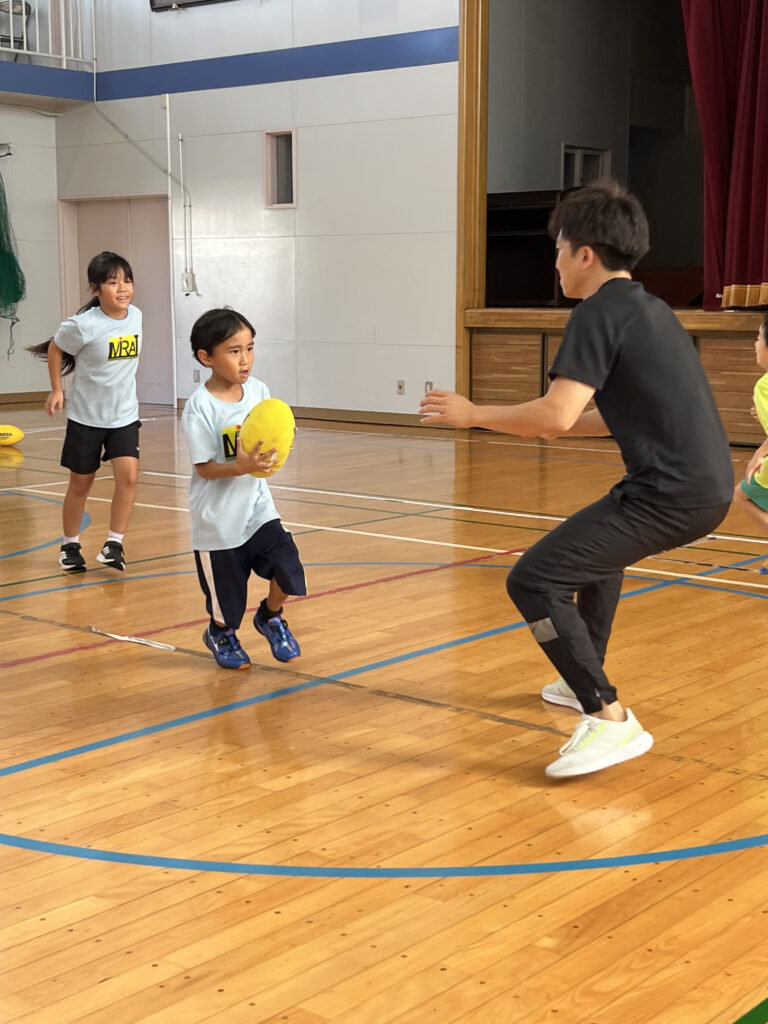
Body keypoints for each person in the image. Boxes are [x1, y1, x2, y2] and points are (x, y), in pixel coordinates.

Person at [419, 179, 733, 779]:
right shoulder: (648, 307)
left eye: (559, 248)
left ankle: (608, 717)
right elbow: (598, 418)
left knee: (533, 580)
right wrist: (553, 426)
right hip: (699, 488)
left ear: (585, 254)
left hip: (669, 494)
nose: (555, 262)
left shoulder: (596, 313)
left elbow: (553, 415)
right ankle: (579, 678)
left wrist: (474, 414)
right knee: (596, 558)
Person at [181, 307, 306, 670]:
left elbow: (271, 434)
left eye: (249, 348)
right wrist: (242, 466)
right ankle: (220, 633)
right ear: (206, 357)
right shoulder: (199, 407)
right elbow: (204, 468)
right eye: (234, 351)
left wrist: (283, 439)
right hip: (217, 523)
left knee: (288, 566)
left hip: (257, 509)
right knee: (227, 606)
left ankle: (270, 615)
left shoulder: (260, 391)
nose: (245, 359)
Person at [29, 251, 142, 573]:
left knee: (129, 477)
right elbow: (55, 348)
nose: (122, 288)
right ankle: (70, 545)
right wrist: (56, 389)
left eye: (127, 280)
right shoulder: (82, 325)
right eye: (112, 282)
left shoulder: (136, 316)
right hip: (86, 418)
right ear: (95, 289)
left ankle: (114, 543)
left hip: (124, 416)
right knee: (81, 483)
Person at [732, 312, 768, 571]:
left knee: (741, 496)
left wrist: (759, 453)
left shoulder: (763, 386)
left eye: (758, 338)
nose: (755, 344)